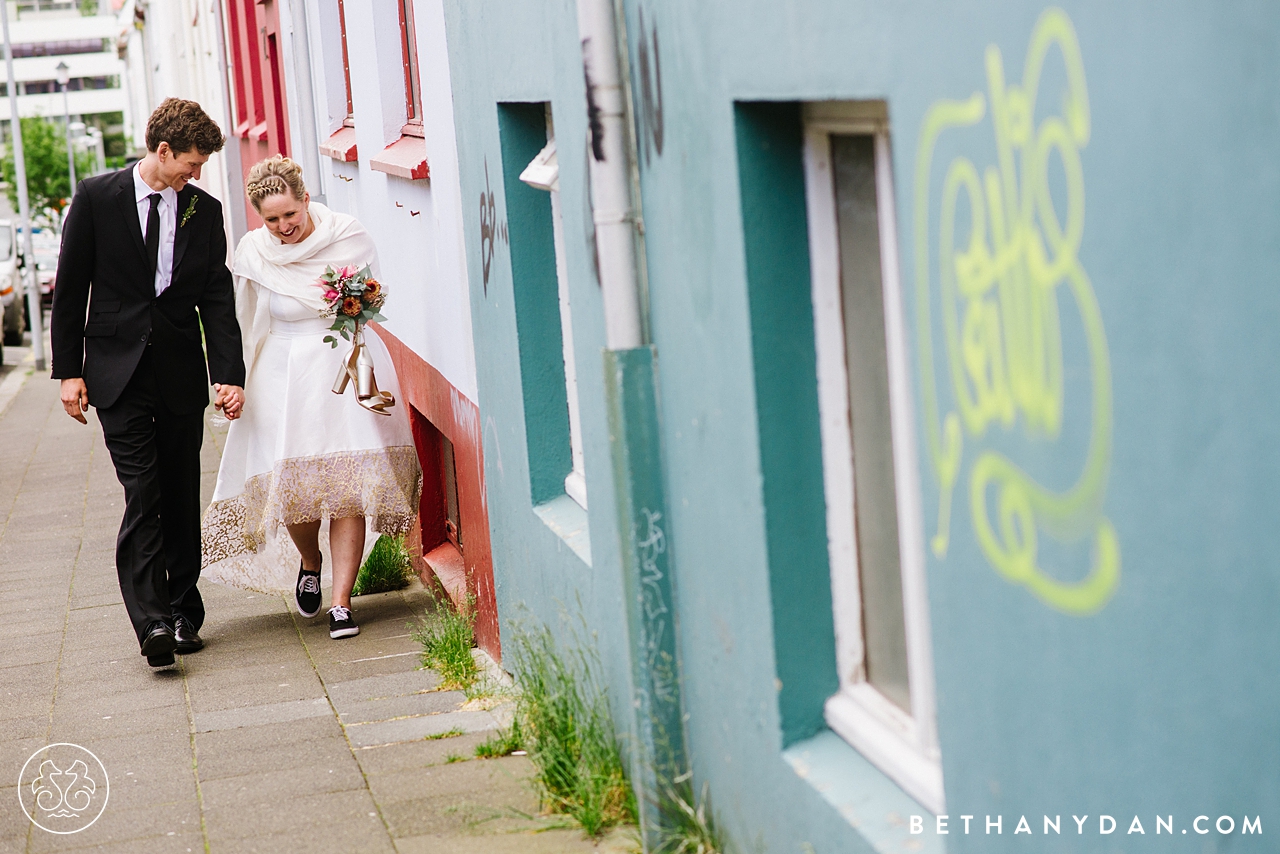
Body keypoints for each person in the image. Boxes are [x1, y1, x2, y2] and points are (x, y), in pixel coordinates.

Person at [50, 99, 245, 668]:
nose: (197, 173)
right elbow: (71, 287)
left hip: (181, 371)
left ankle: (185, 609)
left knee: (182, 492)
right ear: (163, 151)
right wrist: (69, 370)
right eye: (192, 161)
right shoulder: (95, 198)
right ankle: (152, 621)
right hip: (115, 371)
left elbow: (217, 300)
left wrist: (226, 376)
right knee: (144, 491)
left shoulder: (203, 213)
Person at [201, 155, 421, 639]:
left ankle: (341, 602)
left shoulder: (347, 235)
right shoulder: (254, 250)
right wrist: (232, 380)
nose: (283, 227)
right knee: (295, 489)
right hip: (281, 372)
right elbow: (240, 322)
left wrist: (357, 304)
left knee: (347, 487)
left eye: (290, 215)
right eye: (272, 219)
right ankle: (310, 559)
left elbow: (373, 298)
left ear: (305, 200)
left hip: (339, 362)